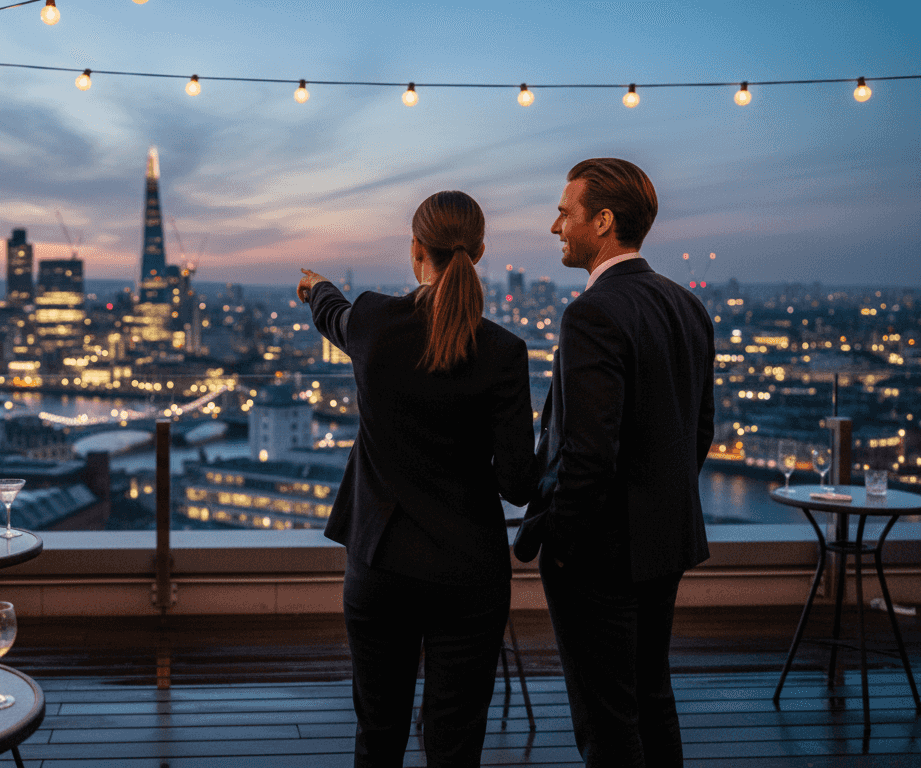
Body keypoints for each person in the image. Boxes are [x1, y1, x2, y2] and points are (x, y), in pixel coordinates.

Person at [298, 190, 536, 768]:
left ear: (415, 250)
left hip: (380, 562)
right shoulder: (504, 350)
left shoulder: (375, 323)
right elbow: (518, 483)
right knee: (455, 741)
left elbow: (336, 315)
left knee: (378, 734)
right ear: (478, 252)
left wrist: (316, 287)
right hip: (467, 571)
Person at [514, 158, 715, 767]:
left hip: (601, 555)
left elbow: (588, 450)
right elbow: (698, 430)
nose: (555, 227)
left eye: (564, 213)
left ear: (602, 222)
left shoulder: (593, 313)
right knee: (653, 698)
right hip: (665, 540)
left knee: (606, 719)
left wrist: (565, 543)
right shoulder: (687, 306)